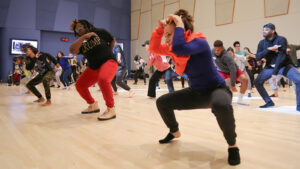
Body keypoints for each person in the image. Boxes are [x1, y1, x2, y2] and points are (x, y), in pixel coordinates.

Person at [149, 9, 240, 165]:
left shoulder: (199, 43)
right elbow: (154, 48)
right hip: (196, 92)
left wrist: (178, 23)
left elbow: (180, 48)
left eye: (169, 35)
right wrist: (160, 29)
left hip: (216, 90)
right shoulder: (173, 47)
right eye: (166, 35)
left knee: (220, 105)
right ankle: (174, 131)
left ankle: (233, 145)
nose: (167, 39)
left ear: (181, 30)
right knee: (162, 102)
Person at [69, 19, 118, 120]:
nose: (78, 29)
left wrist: (109, 51)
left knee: (103, 80)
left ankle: (111, 109)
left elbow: (112, 40)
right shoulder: (81, 42)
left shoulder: (99, 32)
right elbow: (72, 50)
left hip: (108, 62)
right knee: (79, 85)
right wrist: (83, 37)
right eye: (76, 29)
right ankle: (93, 105)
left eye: (79, 26)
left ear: (86, 25)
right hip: (94, 67)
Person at [254, 23, 300, 111]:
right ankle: (268, 101)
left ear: (273, 31)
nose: (264, 31)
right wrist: (268, 49)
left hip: (284, 65)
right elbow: (258, 57)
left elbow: (281, 56)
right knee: (257, 82)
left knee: (298, 80)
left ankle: (299, 105)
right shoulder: (262, 43)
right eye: (263, 30)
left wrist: (275, 73)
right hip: (269, 67)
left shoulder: (281, 39)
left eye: (267, 30)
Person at [212, 40, 249, 105]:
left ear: (222, 48)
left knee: (245, 80)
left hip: (233, 70)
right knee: (224, 86)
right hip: (221, 71)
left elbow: (233, 71)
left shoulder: (227, 56)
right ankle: (223, 99)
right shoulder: (212, 51)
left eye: (218, 50)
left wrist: (233, 85)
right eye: (215, 50)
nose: (216, 52)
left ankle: (240, 99)